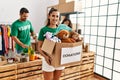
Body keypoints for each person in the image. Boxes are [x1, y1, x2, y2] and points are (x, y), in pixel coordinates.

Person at [38, 8, 65, 80]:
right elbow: (39, 47)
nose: (55, 18)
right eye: (53, 16)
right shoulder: (43, 30)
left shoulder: (62, 29)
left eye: (57, 16)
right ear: (49, 16)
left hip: (59, 59)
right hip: (48, 60)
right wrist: (45, 57)